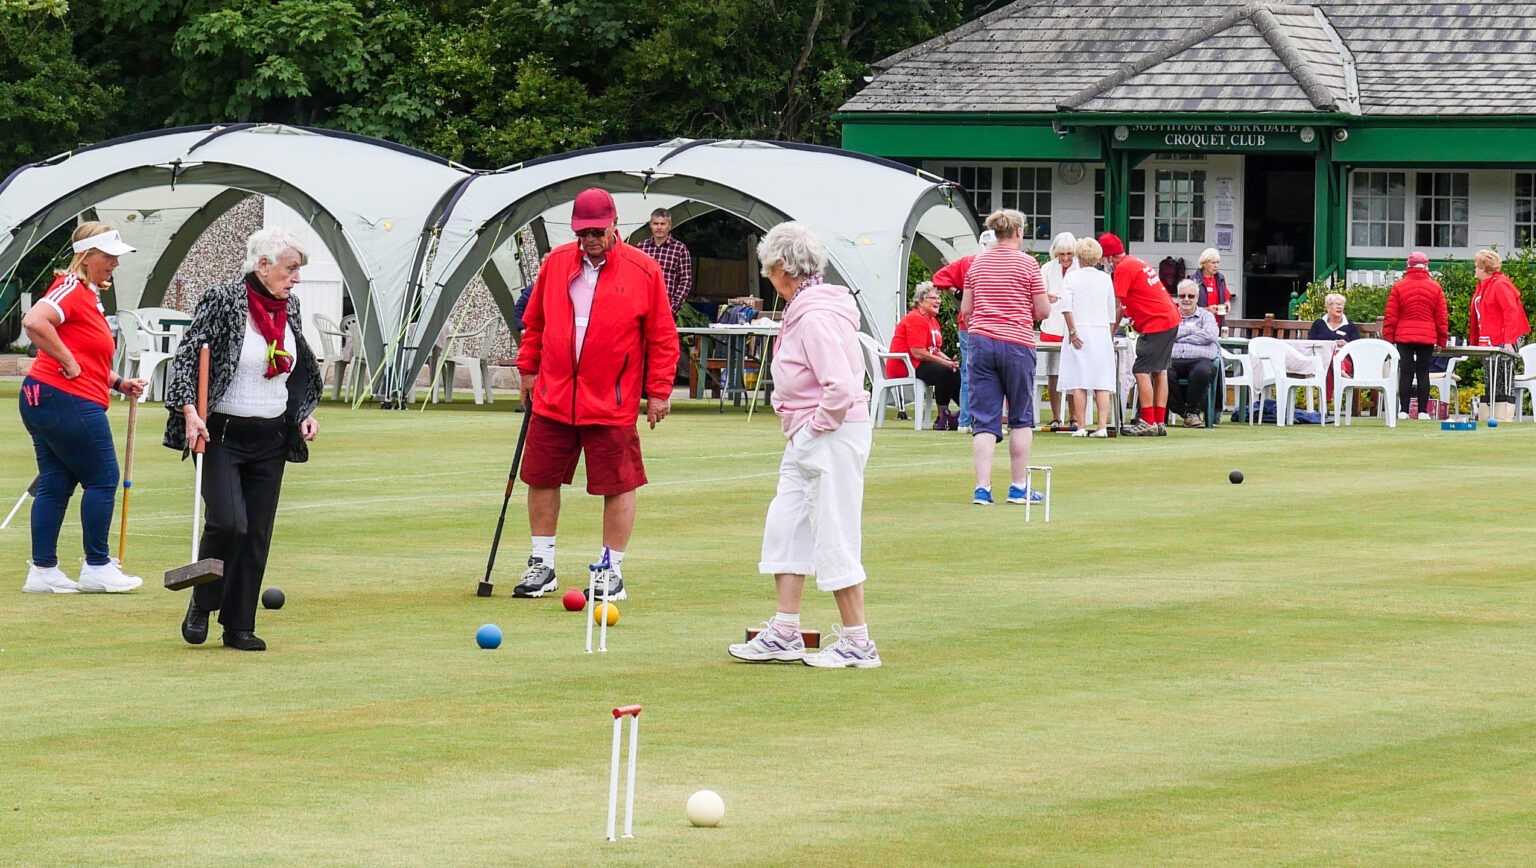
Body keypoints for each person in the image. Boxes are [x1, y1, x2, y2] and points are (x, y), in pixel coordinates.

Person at [512, 188, 679, 602]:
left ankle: (610, 569)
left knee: (618, 483)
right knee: (540, 476)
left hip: (613, 399)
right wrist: (528, 369)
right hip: (555, 395)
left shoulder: (644, 270)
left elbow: (662, 337)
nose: (589, 239)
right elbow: (534, 324)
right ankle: (542, 563)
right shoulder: (554, 265)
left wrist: (658, 392)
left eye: (597, 231)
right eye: (582, 231)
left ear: (614, 225)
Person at [726, 222, 878, 668]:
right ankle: (785, 630)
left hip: (829, 434)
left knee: (834, 530)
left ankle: (859, 641)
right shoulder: (805, 307)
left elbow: (842, 386)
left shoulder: (814, 315)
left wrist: (813, 431)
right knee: (786, 524)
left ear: (779, 268)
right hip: (807, 434)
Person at [164, 227, 323, 651]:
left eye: (299, 270)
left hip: (270, 435)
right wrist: (188, 411)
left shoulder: (290, 308)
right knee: (228, 523)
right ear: (263, 264)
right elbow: (186, 358)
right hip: (220, 434)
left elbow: (295, 365)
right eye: (291, 269)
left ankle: (238, 625)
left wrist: (303, 413)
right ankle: (203, 600)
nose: (296, 278)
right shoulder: (224, 299)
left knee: (256, 534)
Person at [18, 223, 149, 594]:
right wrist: (69, 363)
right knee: (103, 477)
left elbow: (84, 349)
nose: (114, 264)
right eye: (108, 257)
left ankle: (43, 571)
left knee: (56, 482)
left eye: (116, 257)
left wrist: (116, 382)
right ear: (86, 256)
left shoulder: (88, 295)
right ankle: (96, 566)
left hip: (46, 397)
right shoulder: (71, 288)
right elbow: (34, 321)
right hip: (63, 396)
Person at [963, 210, 1050, 505]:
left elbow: (966, 309)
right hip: (1016, 342)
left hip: (982, 341)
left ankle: (982, 488)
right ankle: (1018, 485)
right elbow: (1042, 311)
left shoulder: (976, 263)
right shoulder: (1028, 264)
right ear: (1018, 232)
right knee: (1021, 417)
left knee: (984, 419)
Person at [1099, 232, 1178, 436]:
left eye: (1102, 258)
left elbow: (1117, 305)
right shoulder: (1135, 262)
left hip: (1156, 322)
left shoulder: (1123, 269)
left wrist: (1110, 332)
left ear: (1109, 257)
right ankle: (1159, 421)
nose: (1102, 263)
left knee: (1141, 370)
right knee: (1160, 371)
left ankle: (1148, 420)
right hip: (1168, 318)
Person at [931, 229, 996, 433]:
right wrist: (956, 291)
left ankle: (966, 420)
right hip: (988, 324)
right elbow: (939, 278)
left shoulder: (968, 262)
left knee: (969, 374)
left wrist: (957, 292)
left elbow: (939, 277)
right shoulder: (995, 264)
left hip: (968, 324)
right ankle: (979, 420)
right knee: (991, 374)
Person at [1058, 237, 1116, 437]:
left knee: (1080, 380)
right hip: (1100, 331)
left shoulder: (1072, 277)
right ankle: (1101, 427)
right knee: (1102, 381)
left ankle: (1081, 426)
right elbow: (1111, 312)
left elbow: (1066, 308)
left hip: (1080, 330)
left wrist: (1072, 331)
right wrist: (1107, 335)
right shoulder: (1105, 278)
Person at [1383, 251, 1448, 419]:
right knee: (1423, 372)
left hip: (1404, 336)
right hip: (1427, 336)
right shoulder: (1435, 287)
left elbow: (1391, 316)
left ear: (1408, 266)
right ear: (1426, 266)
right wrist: (1442, 340)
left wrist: (1388, 340)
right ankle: (1422, 411)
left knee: (1405, 372)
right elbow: (1441, 317)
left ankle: (1403, 410)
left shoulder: (1399, 287)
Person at [888, 282, 962, 429]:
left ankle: (968, 411)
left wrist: (948, 360)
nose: (938, 301)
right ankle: (943, 416)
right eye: (933, 298)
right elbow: (918, 352)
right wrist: (944, 363)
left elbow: (934, 349)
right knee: (944, 371)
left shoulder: (933, 321)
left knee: (954, 370)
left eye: (939, 298)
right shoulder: (915, 319)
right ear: (921, 301)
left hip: (919, 363)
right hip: (906, 365)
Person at [1469, 248, 1531, 415]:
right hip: (1489, 338)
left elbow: (1510, 312)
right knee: (1491, 375)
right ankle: (1492, 411)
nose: (1475, 269)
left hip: (1505, 336)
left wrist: (1509, 340)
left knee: (1504, 375)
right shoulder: (1483, 286)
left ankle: (1504, 413)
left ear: (1484, 268)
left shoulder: (1500, 284)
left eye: (1476, 266)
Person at [1037, 232, 1078, 426]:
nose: (1066, 258)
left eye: (1069, 254)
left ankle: (1074, 417)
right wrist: (1047, 297)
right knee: (1053, 372)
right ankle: (1055, 417)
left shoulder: (1080, 269)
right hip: (1052, 325)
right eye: (1062, 254)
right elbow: (1038, 294)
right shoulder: (1046, 268)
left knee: (1073, 372)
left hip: (1073, 327)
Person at [1167, 279, 1219, 428]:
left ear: (1197, 298)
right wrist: (1192, 331)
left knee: (1202, 371)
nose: (1186, 299)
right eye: (1182, 296)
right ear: (1177, 297)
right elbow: (1166, 334)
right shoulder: (1170, 314)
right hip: (1173, 358)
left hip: (1200, 359)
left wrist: (1179, 336)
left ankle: (1193, 412)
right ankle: (1184, 412)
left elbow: (1209, 335)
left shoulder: (1206, 316)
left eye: (1191, 296)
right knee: (1162, 373)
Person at [634, 207, 693, 316]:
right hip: (642, 306)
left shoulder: (680, 249)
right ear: (650, 225)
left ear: (669, 225)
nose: (659, 227)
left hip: (666, 308)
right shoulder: (640, 248)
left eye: (663, 224)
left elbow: (685, 281)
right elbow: (633, 277)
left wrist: (673, 307)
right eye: (656, 224)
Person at [1195, 248, 1236, 325]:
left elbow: (1226, 298)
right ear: (1204, 263)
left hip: (1218, 323)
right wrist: (1206, 310)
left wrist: (1227, 304)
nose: (1216, 266)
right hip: (1200, 324)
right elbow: (1189, 307)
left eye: (1217, 262)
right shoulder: (1193, 280)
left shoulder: (1220, 278)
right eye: (1213, 263)